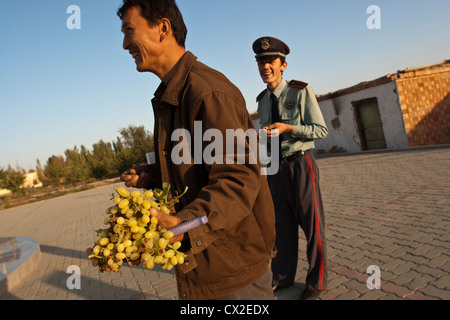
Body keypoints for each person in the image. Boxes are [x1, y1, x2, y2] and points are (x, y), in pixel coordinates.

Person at [117, 0, 276, 300]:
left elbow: (238, 180)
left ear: (163, 28)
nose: (125, 44)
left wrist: (185, 224)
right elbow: (199, 161)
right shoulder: (172, 93)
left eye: (129, 31)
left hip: (233, 271)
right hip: (206, 265)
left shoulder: (206, 92)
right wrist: (151, 175)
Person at [253, 36, 329, 300]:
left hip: (300, 164)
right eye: (261, 62)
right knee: (281, 227)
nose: (266, 67)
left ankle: (316, 281)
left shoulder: (300, 91)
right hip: (274, 169)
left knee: (312, 225)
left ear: (283, 65)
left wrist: (289, 128)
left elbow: (320, 130)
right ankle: (282, 277)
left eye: (271, 61)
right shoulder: (262, 100)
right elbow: (265, 136)